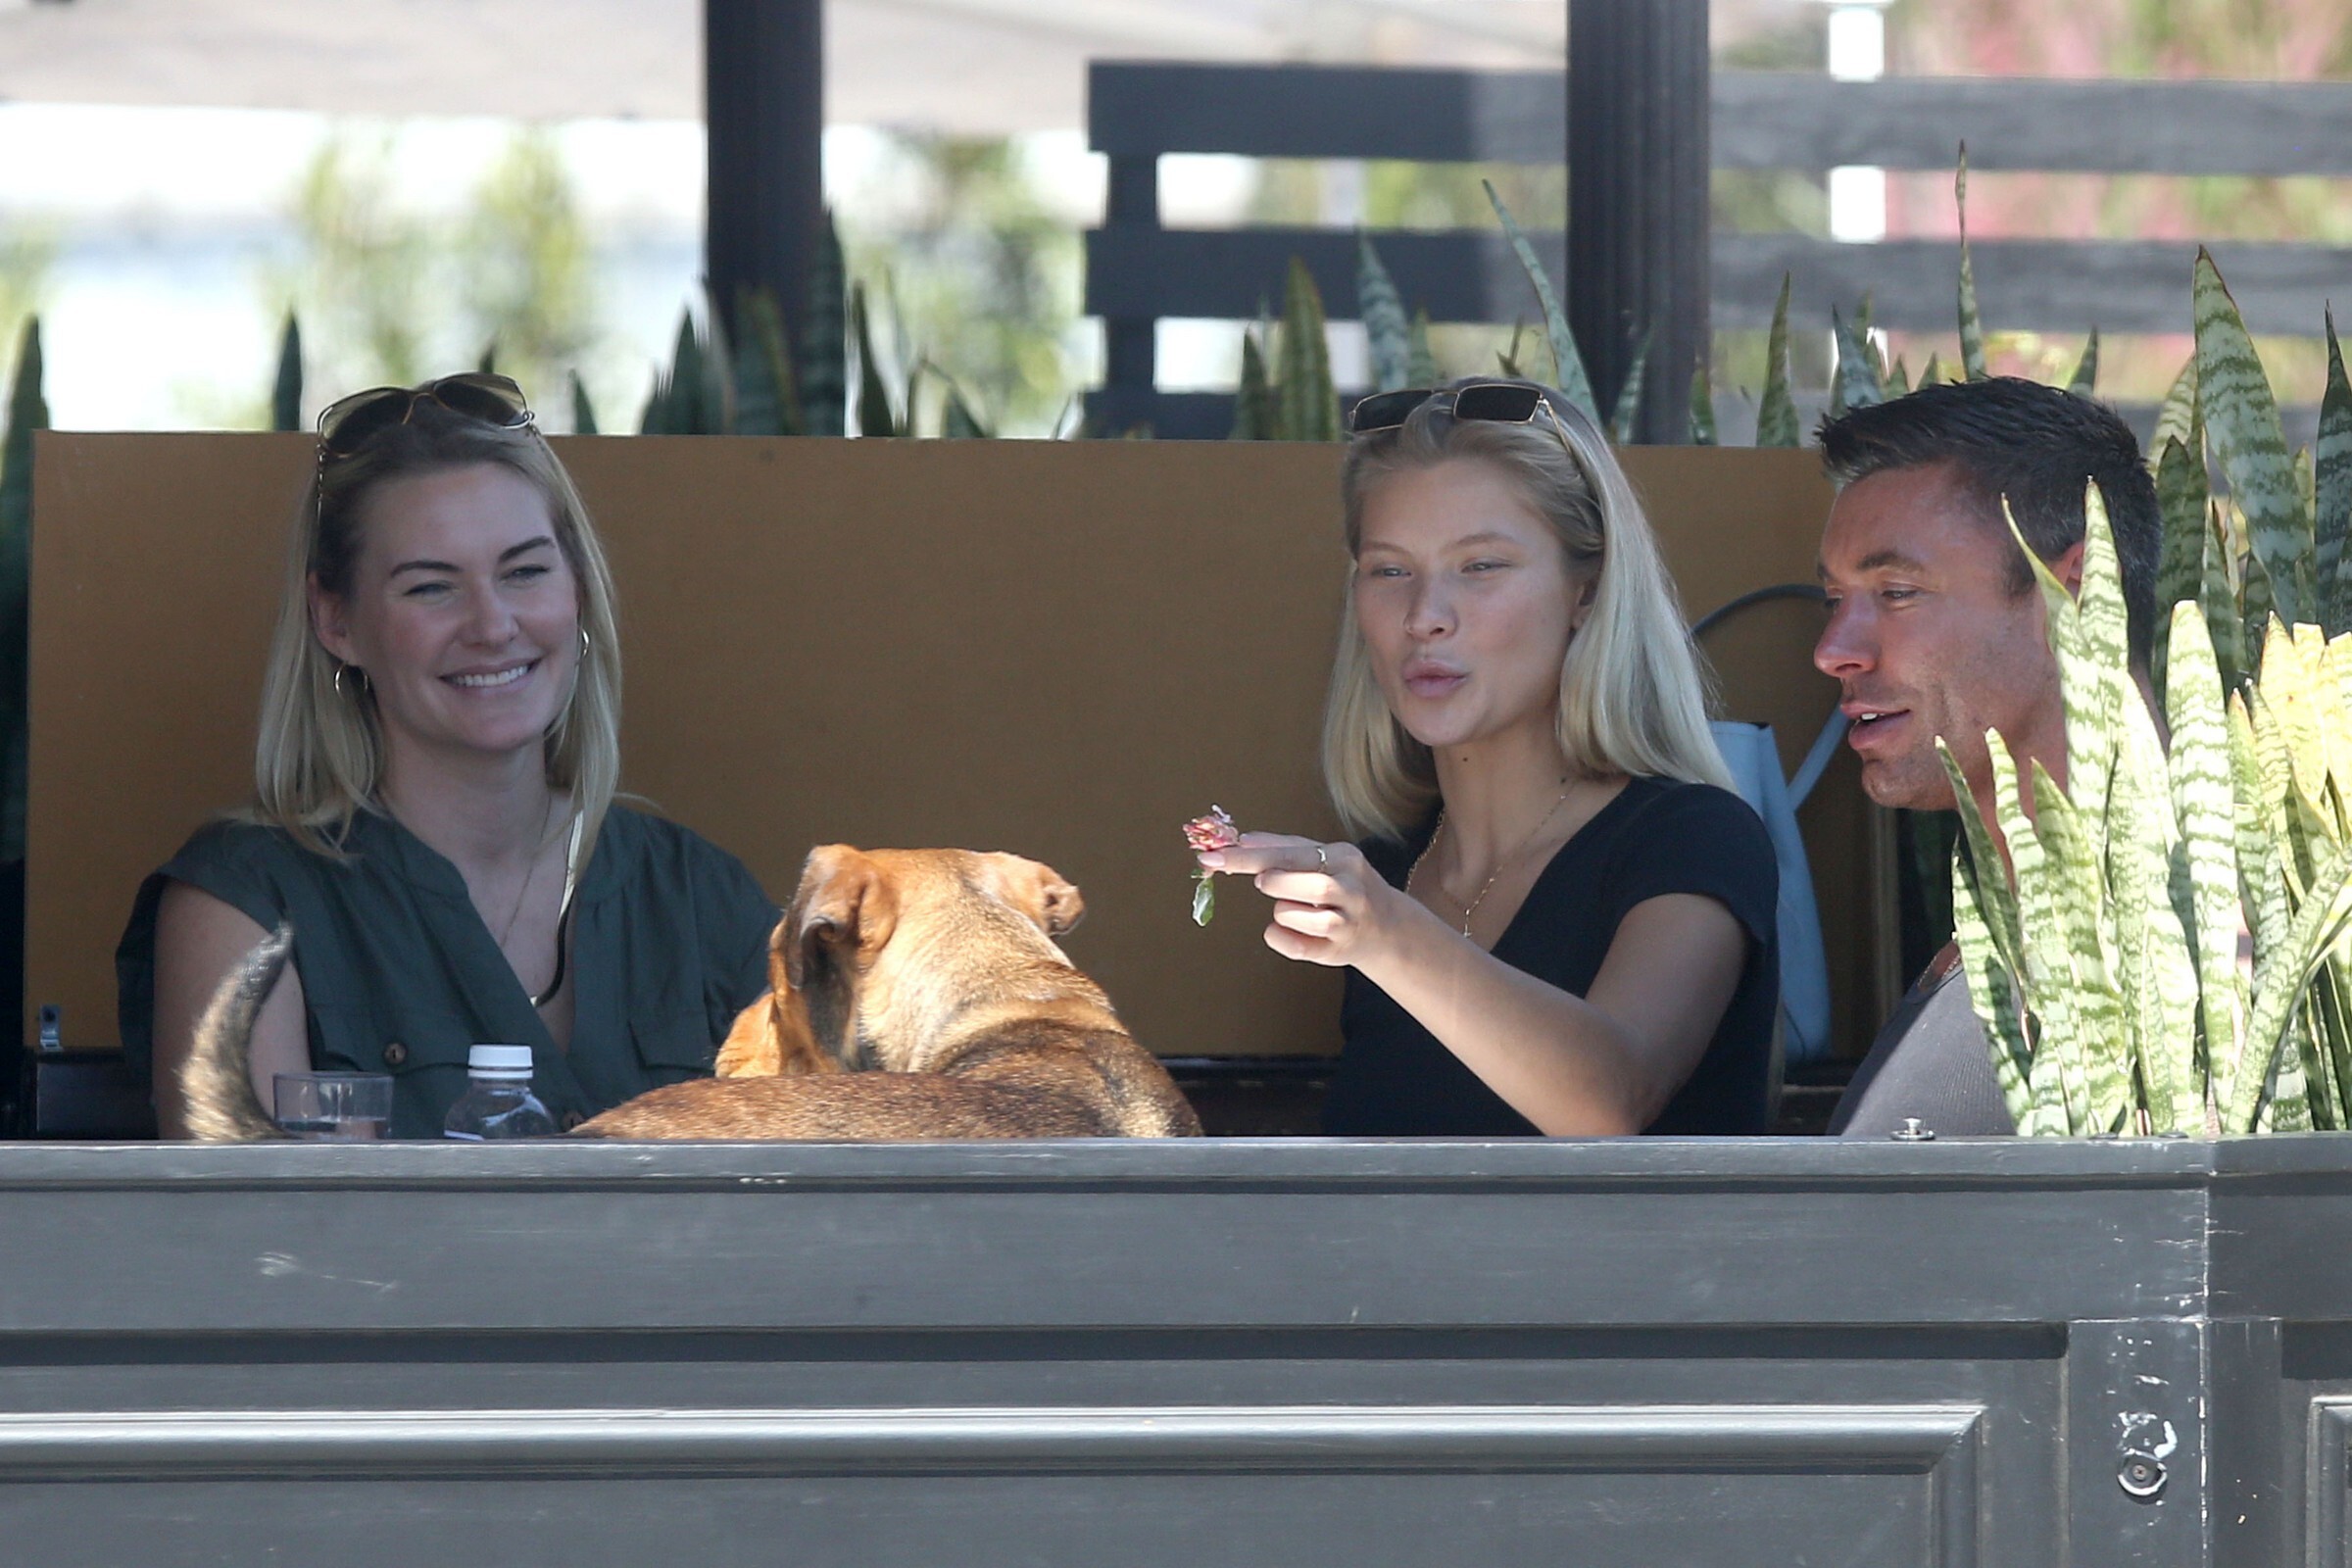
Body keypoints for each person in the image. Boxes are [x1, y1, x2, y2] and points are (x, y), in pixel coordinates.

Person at [118, 373, 779, 1138]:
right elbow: (248, 1214)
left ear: (577, 591)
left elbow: (818, 1188)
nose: (492, 626)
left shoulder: (702, 897)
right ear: (336, 621)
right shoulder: (244, 906)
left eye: (525, 572)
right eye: (431, 588)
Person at [1197, 379, 1780, 1136]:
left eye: (1481, 566)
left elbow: (1611, 1102)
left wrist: (1388, 935)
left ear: (1587, 591)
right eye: (1390, 570)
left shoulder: (1694, 837)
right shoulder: (1390, 869)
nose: (1424, 617)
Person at [1814, 376, 2163, 1138]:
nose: (1833, 651)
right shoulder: (2001, 924)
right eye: (1835, 599)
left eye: (1897, 592)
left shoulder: (2187, 944)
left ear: (2079, 593)